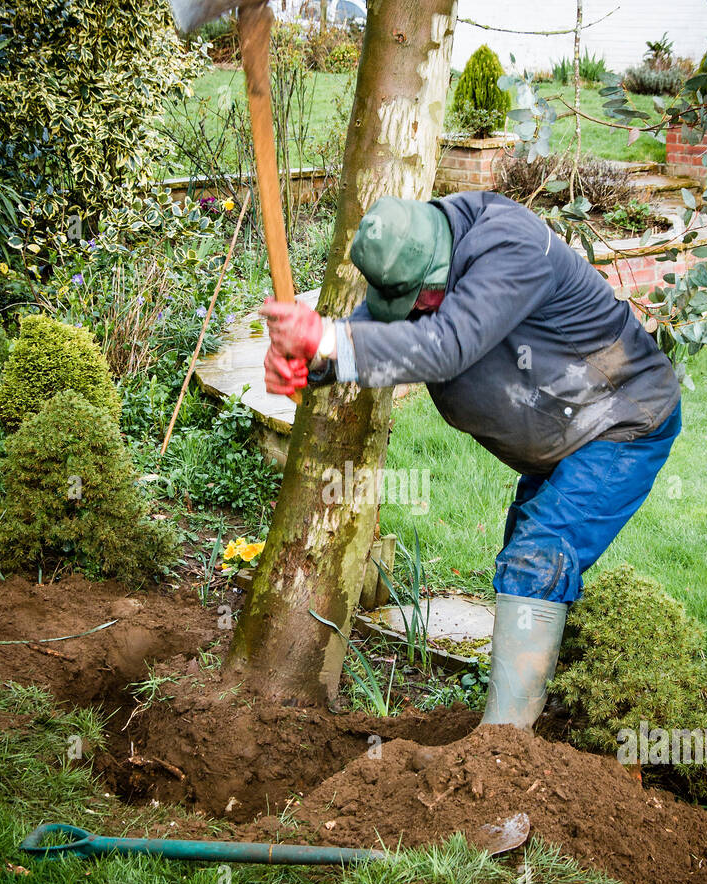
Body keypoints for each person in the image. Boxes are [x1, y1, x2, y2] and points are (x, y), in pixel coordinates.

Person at [261, 191, 681, 729]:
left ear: (446, 269)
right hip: (561, 439)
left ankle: (503, 752)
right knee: (526, 569)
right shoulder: (422, 255)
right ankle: (535, 719)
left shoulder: (511, 247)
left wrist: (329, 338)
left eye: (422, 301)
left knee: (538, 560)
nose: (415, 312)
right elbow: (383, 328)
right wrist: (312, 364)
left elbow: (446, 345)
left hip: (622, 424)